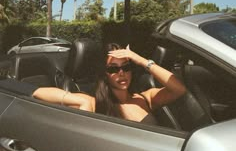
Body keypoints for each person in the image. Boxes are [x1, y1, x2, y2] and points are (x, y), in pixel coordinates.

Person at [32, 43, 186, 124]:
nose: (121, 73)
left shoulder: (145, 99)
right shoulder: (96, 104)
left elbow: (178, 89)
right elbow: (38, 92)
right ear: (104, 74)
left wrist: (141, 60)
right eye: (113, 69)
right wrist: (80, 100)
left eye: (126, 67)